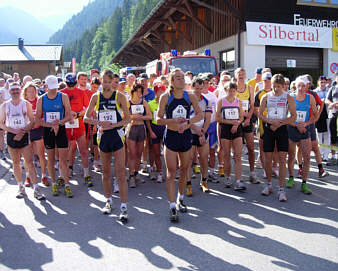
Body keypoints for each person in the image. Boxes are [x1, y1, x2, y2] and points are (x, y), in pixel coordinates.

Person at [84, 70, 130, 223]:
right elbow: (85, 118)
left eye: (108, 81)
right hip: (102, 136)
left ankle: (123, 207)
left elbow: (128, 119)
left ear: (113, 82)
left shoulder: (120, 96)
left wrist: (113, 125)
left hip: (116, 136)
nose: (105, 84)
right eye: (103, 81)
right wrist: (99, 123)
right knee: (105, 172)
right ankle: (109, 201)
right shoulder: (95, 97)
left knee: (121, 173)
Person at [157, 68, 202, 222]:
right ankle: (171, 206)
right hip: (171, 136)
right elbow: (158, 119)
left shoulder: (190, 96)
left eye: (182, 78)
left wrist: (188, 122)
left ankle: (180, 199)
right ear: (171, 81)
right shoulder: (165, 97)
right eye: (177, 78)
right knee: (171, 172)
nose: (181, 80)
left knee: (184, 169)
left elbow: (200, 115)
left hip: (186, 136)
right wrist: (173, 121)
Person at [0, 82, 45, 200]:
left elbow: (32, 120)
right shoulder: (5, 105)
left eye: (17, 90)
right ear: (9, 92)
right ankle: (20, 187)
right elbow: (1, 123)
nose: (15, 92)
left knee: (29, 162)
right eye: (12, 90)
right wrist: (15, 132)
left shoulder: (26, 104)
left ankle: (36, 188)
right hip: (11, 136)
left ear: (20, 91)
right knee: (16, 163)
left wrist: (23, 131)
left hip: (24, 135)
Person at [258, 74, 296, 201]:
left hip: (282, 129)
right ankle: (268, 184)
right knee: (268, 159)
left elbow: (293, 116)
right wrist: (269, 121)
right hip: (269, 129)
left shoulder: (288, 97)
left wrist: (281, 123)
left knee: (282, 160)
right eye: (274, 87)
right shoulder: (266, 96)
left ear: (283, 86)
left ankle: (281, 189)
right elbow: (260, 113)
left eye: (278, 87)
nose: (276, 89)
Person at [36, 75, 73, 197]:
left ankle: (67, 184)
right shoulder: (41, 99)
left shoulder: (63, 96)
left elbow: (69, 116)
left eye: (55, 88)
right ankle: (54, 183)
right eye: (51, 88)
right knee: (51, 159)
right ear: (46, 86)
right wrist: (50, 125)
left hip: (61, 129)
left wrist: (59, 123)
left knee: (63, 159)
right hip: (48, 130)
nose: (53, 90)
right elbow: (37, 119)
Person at [286, 76, 318, 195]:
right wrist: (296, 124)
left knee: (307, 157)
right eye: (299, 85)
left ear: (307, 87)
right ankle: (290, 178)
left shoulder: (310, 98)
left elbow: (315, 115)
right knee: (291, 155)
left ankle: (304, 183)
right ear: (295, 85)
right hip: (292, 128)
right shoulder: (290, 97)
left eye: (303, 86)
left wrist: (306, 123)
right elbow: (285, 116)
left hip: (305, 129)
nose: (300, 88)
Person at [61, 73, 93, 187]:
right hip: (66, 125)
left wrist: (78, 114)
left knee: (83, 150)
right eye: (69, 84)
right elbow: (59, 110)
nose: (71, 87)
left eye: (72, 84)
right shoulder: (62, 93)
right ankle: (66, 171)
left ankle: (86, 174)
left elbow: (87, 109)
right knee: (67, 150)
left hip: (79, 125)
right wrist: (67, 116)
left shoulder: (81, 92)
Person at [216, 81, 245, 190]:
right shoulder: (221, 101)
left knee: (238, 156)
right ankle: (228, 178)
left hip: (237, 128)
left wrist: (237, 123)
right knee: (227, 155)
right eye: (230, 91)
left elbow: (242, 117)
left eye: (234, 91)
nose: (232, 93)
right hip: (225, 129)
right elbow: (217, 118)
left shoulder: (238, 101)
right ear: (226, 91)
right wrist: (231, 123)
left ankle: (238, 180)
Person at [186, 77, 212, 196]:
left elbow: (208, 119)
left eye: (201, 89)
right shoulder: (186, 100)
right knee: (189, 159)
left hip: (202, 132)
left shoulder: (206, 101)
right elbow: (185, 119)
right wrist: (195, 129)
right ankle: (188, 184)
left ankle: (204, 181)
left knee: (203, 158)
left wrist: (202, 132)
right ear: (192, 87)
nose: (198, 91)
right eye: (196, 88)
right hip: (189, 132)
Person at [22, 82, 49, 187]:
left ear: (36, 92)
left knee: (41, 154)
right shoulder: (23, 103)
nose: (31, 93)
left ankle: (43, 175)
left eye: (33, 91)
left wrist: (39, 121)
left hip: (38, 130)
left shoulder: (39, 101)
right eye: (29, 91)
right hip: (27, 132)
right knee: (27, 157)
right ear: (25, 92)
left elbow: (44, 116)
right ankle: (28, 177)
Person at [126, 84, 152, 188]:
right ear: (133, 92)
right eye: (137, 91)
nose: (139, 94)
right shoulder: (128, 102)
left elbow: (150, 116)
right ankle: (131, 175)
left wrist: (141, 117)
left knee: (139, 153)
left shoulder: (144, 102)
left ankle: (136, 174)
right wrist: (133, 116)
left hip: (141, 128)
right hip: (132, 128)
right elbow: (125, 116)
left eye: (141, 92)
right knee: (132, 154)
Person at [234, 68, 257, 184]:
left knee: (251, 147)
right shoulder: (232, 87)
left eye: (243, 74)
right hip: (236, 120)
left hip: (247, 121)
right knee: (237, 150)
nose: (241, 76)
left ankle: (252, 172)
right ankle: (238, 175)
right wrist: (241, 116)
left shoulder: (249, 88)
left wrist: (248, 118)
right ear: (235, 75)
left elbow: (252, 105)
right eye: (239, 74)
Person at [147, 83, 166, 183]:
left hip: (165, 128)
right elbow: (148, 121)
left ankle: (173, 171)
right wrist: (150, 131)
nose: (161, 92)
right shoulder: (150, 103)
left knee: (169, 152)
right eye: (159, 91)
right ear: (155, 92)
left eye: (163, 90)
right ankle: (159, 173)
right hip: (154, 128)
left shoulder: (167, 102)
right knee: (157, 153)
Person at [314, 76, 330, 162]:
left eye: (324, 82)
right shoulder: (315, 92)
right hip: (319, 115)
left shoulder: (329, 90)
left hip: (327, 115)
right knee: (319, 135)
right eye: (321, 82)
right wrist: (320, 100)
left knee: (327, 135)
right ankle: (320, 153)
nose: (323, 84)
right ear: (318, 82)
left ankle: (326, 155)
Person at [325, 71, 338, 165]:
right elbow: (327, 99)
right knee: (333, 136)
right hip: (333, 114)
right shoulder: (332, 88)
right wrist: (331, 104)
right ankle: (333, 157)